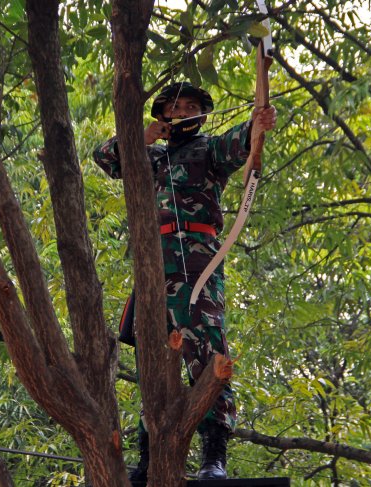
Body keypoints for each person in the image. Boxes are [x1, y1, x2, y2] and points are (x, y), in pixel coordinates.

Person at [93, 82, 277, 480]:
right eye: (174, 109)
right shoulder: (150, 157)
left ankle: (214, 455)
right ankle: (147, 456)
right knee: (151, 359)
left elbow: (239, 142)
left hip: (197, 262)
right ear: (163, 117)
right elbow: (105, 158)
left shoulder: (208, 149)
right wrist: (140, 137)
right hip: (152, 263)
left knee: (207, 349)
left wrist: (257, 125)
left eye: (190, 107)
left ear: (202, 115)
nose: (182, 113)